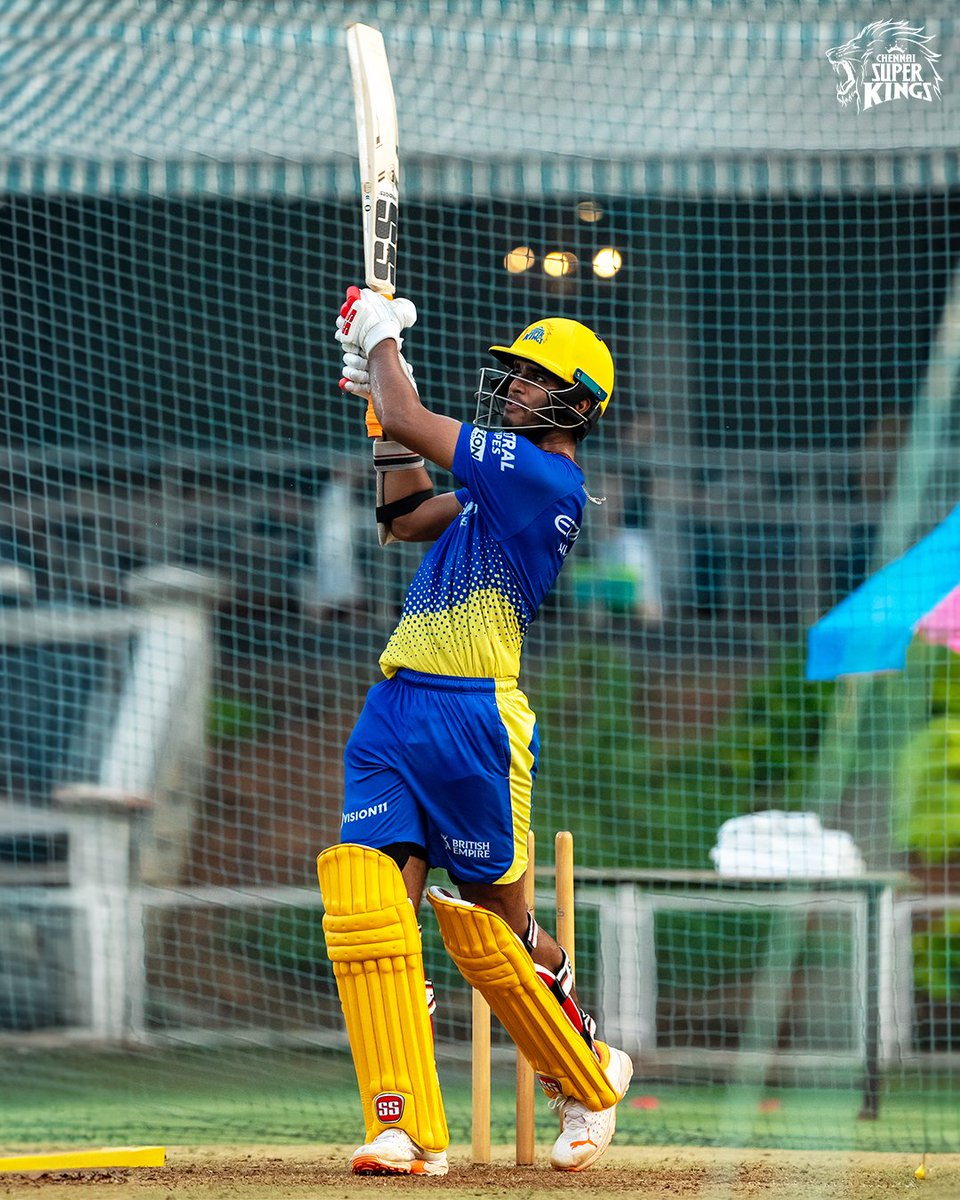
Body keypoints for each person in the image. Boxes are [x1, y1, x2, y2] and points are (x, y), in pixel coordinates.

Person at [316, 287, 633, 1177]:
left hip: (475, 719)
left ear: (576, 404)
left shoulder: (541, 479)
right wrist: (383, 415)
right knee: (372, 911)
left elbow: (416, 414)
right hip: (398, 705)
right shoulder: (494, 490)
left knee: (497, 925)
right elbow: (409, 516)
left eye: (533, 381)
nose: (514, 389)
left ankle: (587, 1073)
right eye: (515, 376)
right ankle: (402, 1126)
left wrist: (382, 349)